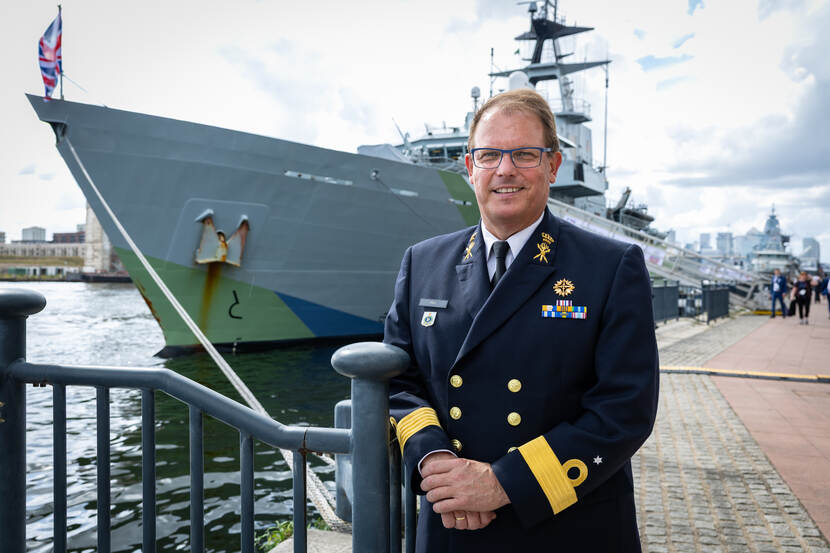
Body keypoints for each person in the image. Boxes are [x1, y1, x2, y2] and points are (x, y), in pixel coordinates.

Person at [384, 88, 659, 553]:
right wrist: (433, 459)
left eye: (524, 154)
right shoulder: (422, 262)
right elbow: (397, 380)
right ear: (470, 167)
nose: (504, 169)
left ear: (552, 166)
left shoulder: (611, 266)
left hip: (568, 527)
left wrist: (503, 483)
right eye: (489, 154)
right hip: (453, 527)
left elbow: (625, 408)